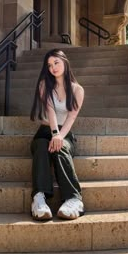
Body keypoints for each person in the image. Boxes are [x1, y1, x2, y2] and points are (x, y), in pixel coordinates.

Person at [30, 48, 85, 221]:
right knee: (40, 146)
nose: (53, 67)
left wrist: (60, 136)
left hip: (65, 132)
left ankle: (74, 199)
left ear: (65, 62)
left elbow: (71, 117)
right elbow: (51, 111)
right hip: (46, 130)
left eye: (56, 62)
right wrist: (54, 134)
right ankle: (39, 198)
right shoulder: (44, 85)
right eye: (49, 65)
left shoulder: (77, 90)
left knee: (61, 149)